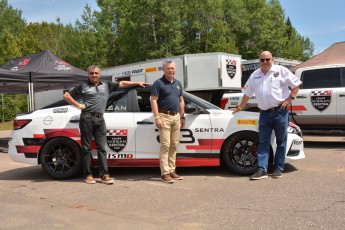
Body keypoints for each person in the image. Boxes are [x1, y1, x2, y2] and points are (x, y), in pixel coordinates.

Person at [64, 65, 146, 184]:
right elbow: (66, 95)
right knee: (86, 148)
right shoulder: (83, 85)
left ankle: (104, 175)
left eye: (96, 73)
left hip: (100, 119)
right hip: (86, 118)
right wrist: (79, 105)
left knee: (101, 148)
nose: (94, 75)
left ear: (99, 74)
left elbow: (122, 83)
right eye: (91, 73)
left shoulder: (107, 85)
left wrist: (137, 83)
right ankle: (88, 175)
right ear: (88, 74)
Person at [233, 51, 301, 180]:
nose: (265, 62)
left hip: (280, 112)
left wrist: (289, 99)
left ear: (272, 60)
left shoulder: (281, 70)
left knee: (281, 141)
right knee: (263, 142)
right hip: (264, 113)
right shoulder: (255, 75)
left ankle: (278, 168)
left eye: (267, 59)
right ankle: (262, 169)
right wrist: (240, 107)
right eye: (262, 60)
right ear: (259, 61)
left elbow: (296, 84)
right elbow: (247, 93)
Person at [150, 59, 185, 183]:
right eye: (168, 68)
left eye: (172, 68)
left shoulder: (178, 83)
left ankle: (171, 170)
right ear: (163, 70)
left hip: (176, 117)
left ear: (175, 69)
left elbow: (181, 100)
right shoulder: (158, 83)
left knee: (174, 145)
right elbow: (153, 100)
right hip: (164, 116)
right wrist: (157, 117)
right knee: (165, 145)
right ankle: (165, 173)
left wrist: (182, 116)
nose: (171, 70)